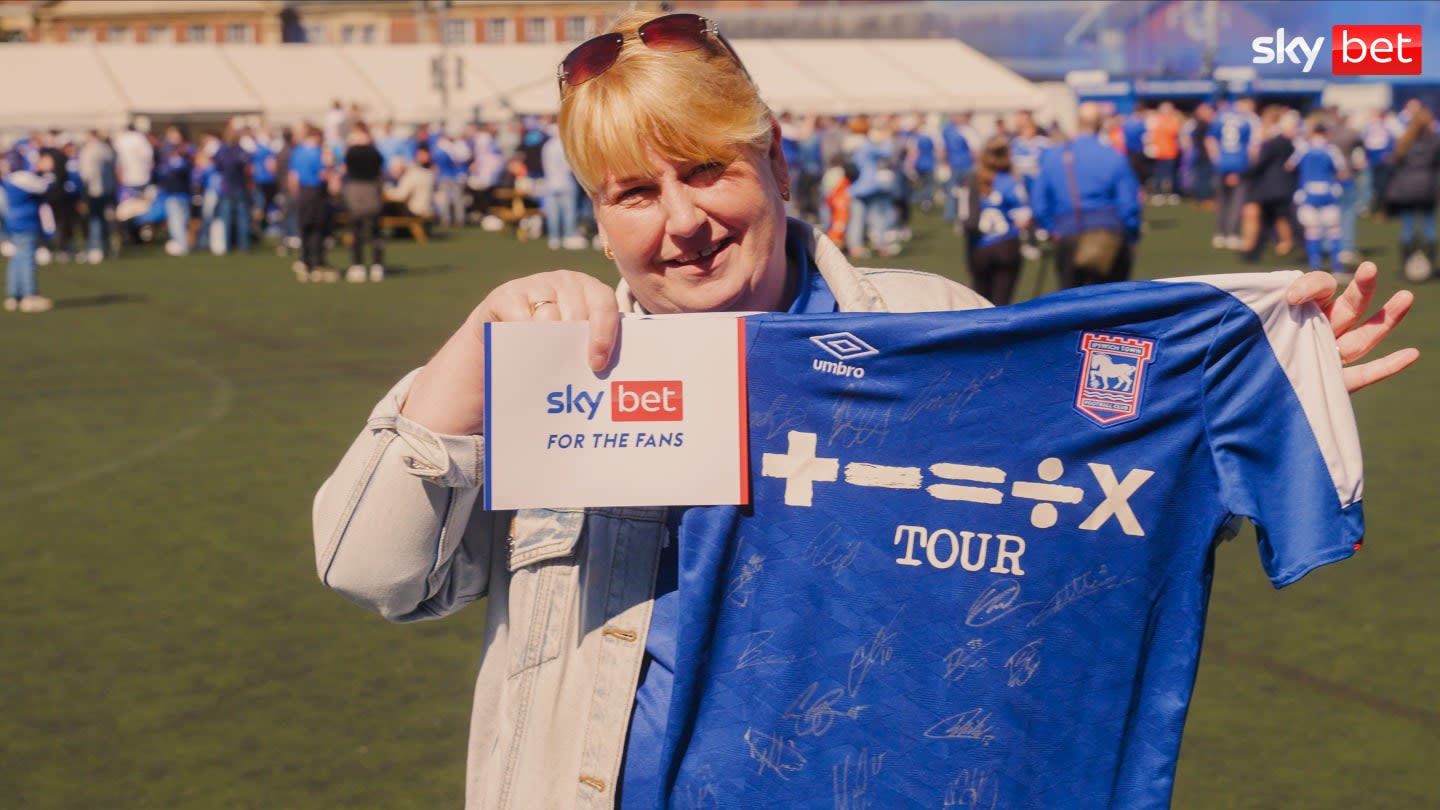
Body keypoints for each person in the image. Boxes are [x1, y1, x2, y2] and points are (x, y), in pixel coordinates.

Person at [311, 11, 1417, 810]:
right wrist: (464, 369)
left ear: (776, 161)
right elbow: (374, 572)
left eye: (707, 172)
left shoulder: (933, 329)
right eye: (634, 195)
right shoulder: (554, 367)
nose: (681, 223)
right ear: (597, 216)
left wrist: (1215, 426)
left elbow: (1060, 505)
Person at [1031, 102, 1141, 288]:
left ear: (1077, 123)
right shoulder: (1114, 156)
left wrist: (1051, 228)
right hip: (1109, 233)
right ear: (1100, 124)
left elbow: (1039, 202)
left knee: (1071, 302)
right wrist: (1130, 234)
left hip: (1068, 233)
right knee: (1111, 301)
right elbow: (1129, 203)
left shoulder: (1054, 156)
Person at [961, 135, 1030, 305]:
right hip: (1006, 244)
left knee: (979, 300)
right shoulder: (1010, 182)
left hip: (979, 246)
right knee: (1001, 302)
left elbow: (963, 216)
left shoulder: (972, 180)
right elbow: (1024, 218)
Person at [1383, 105, 1440, 278]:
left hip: (1406, 189)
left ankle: (1406, 267)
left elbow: (1393, 163)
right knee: (1429, 226)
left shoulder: (1404, 142)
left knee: (1407, 227)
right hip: (1428, 188)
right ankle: (1430, 266)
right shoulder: (1435, 142)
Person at [1286, 120, 1349, 274]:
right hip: (1328, 193)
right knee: (1334, 230)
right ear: (1326, 134)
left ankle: (1315, 265)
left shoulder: (1303, 148)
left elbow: (1289, 166)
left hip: (1307, 193)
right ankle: (1336, 267)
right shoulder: (1331, 150)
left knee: (1312, 230)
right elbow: (1342, 172)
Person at [3, 151, 53, 312]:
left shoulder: (9, 179)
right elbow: (45, 187)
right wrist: (46, 171)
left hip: (13, 222)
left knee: (17, 258)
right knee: (27, 259)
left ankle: (13, 295)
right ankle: (29, 295)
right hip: (26, 223)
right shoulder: (23, 177)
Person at [341, 121, 385, 283]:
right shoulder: (365, 151)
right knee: (364, 230)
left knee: (366, 229)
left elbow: (375, 164)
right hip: (364, 189)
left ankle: (369, 265)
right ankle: (367, 265)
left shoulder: (363, 151)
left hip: (363, 189)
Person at [289, 124, 333, 282]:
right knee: (317, 228)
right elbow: (323, 174)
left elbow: (292, 177)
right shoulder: (317, 152)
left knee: (304, 227)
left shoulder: (297, 151)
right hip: (316, 192)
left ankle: (304, 260)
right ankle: (317, 263)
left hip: (303, 192)